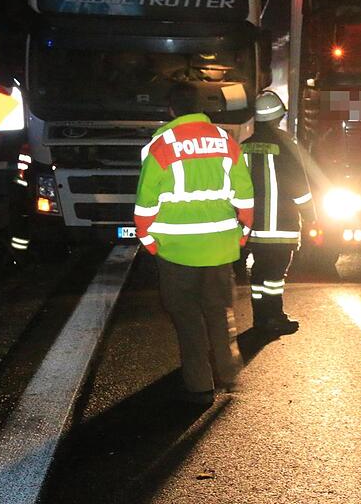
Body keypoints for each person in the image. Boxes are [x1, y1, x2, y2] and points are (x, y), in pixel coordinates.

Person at [134, 82, 255, 405]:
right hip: (220, 247)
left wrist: (148, 241)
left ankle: (201, 386)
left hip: (176, 251)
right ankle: (228, 371)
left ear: (171, 110)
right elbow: (244, 195)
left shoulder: (160, 146)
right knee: (218, 309)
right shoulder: (224, 140)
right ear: (201, 107)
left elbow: (146, 203)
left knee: (186, 315)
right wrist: (241, 234)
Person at [241, 90, 317, 335]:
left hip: (253, 228)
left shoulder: (243, 147)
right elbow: (300, 188)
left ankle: (261, 318)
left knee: (260, 273)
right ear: (278, 117)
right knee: (275, 276)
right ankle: (274, 317)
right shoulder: (286, 144)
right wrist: (311, 216)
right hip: (282, 227)